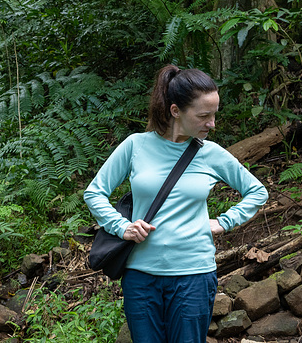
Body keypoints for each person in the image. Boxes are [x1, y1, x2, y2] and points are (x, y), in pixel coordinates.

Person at [84, 64, 268, 343]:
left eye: (214, 115)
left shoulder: (211, 154)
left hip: (194, 276)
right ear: (175, 111)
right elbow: (95, 192)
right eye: (204, 116)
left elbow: (257, 191)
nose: (212, 124)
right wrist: (122, 227)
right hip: (141, 277)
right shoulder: (136, 146)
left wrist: (224, 222)